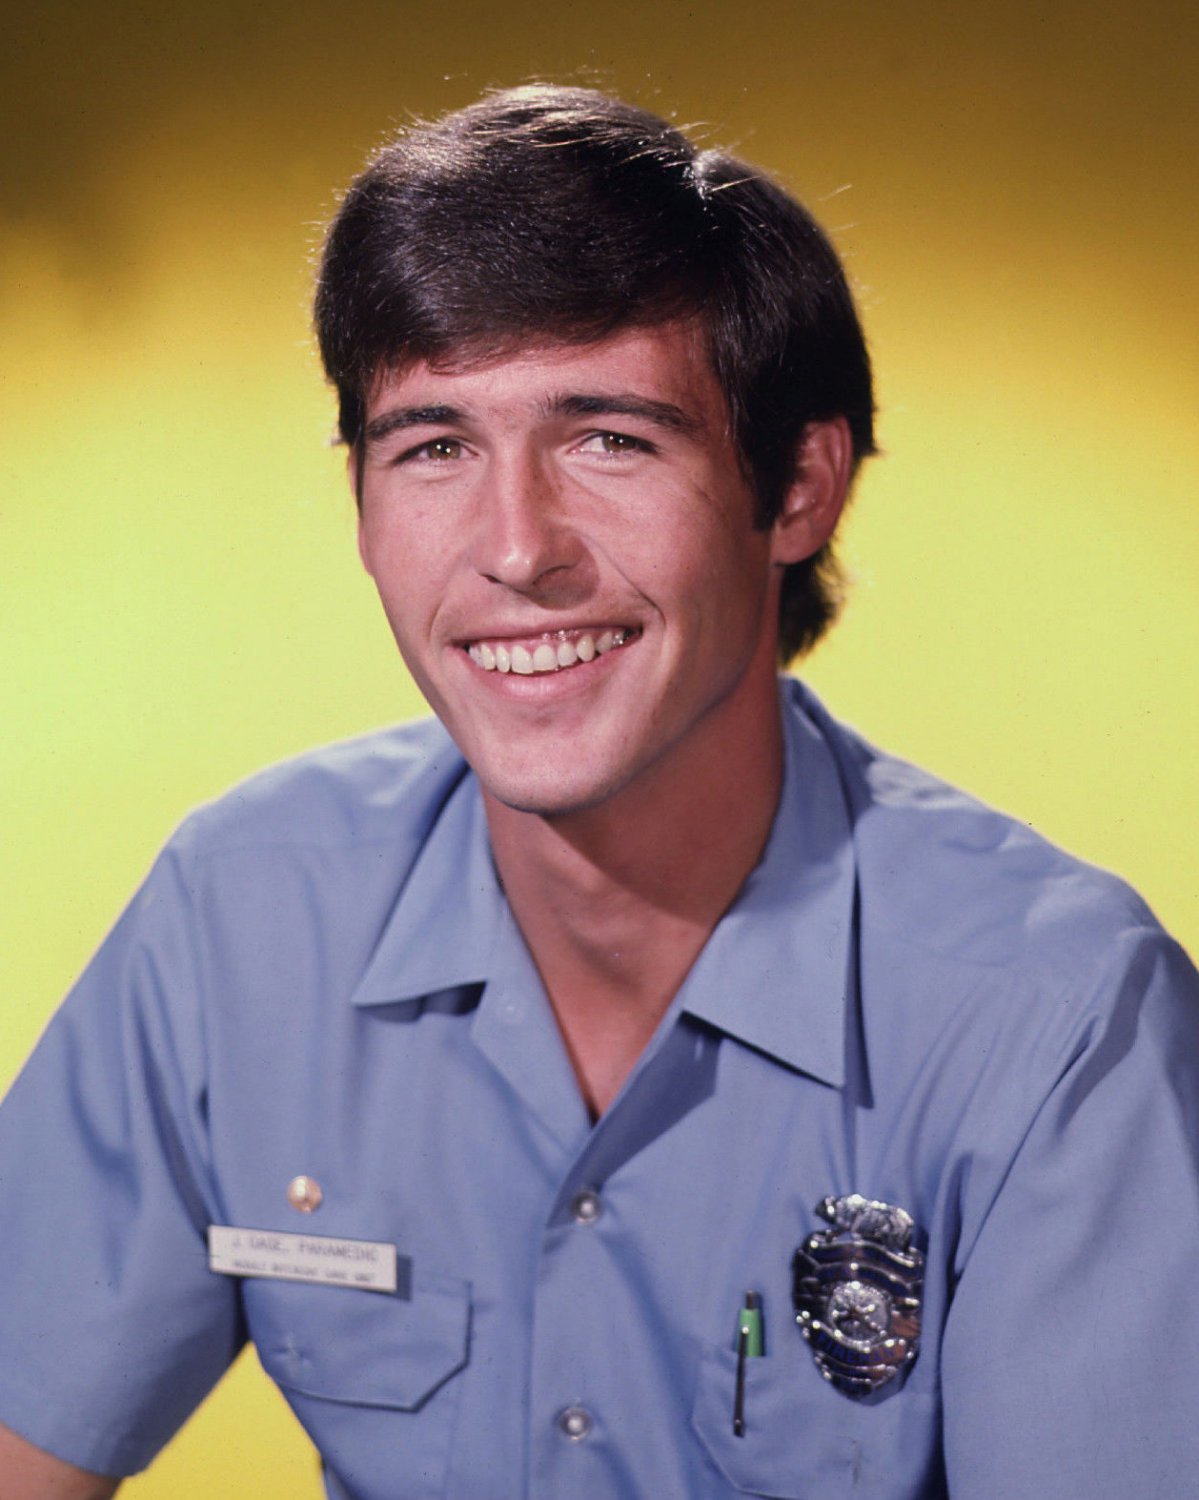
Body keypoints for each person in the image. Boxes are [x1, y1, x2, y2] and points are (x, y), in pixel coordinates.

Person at [1, 83, 1196, 1500]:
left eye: (610, 438)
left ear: (796, 489)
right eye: (434, 445)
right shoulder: (240, 918)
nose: (517, 550)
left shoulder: (1062, 1022)